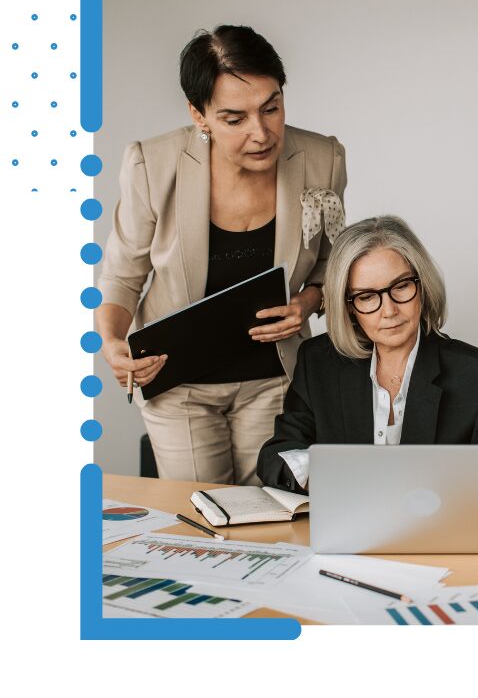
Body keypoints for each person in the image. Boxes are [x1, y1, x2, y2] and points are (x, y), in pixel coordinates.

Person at [97, 25, 347, 486]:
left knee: (273, 515)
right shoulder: (151, 164)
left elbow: (333, 265)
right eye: (235, 119)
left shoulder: (322, 157)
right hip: (178, 384)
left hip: (275, 378)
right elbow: (121, 276)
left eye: (272, 108)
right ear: (199, 114)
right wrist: (112, 343)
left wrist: (306, 304)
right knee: (204, 519)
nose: (262, 133)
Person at [257, 216, 478, 493]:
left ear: (423, 286)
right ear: (348, 305)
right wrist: (317, 471)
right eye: (367, 296)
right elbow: (276, 454)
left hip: (437, 531)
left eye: (401, 286)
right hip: (343, 529)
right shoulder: (318, 361)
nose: (389, 310)